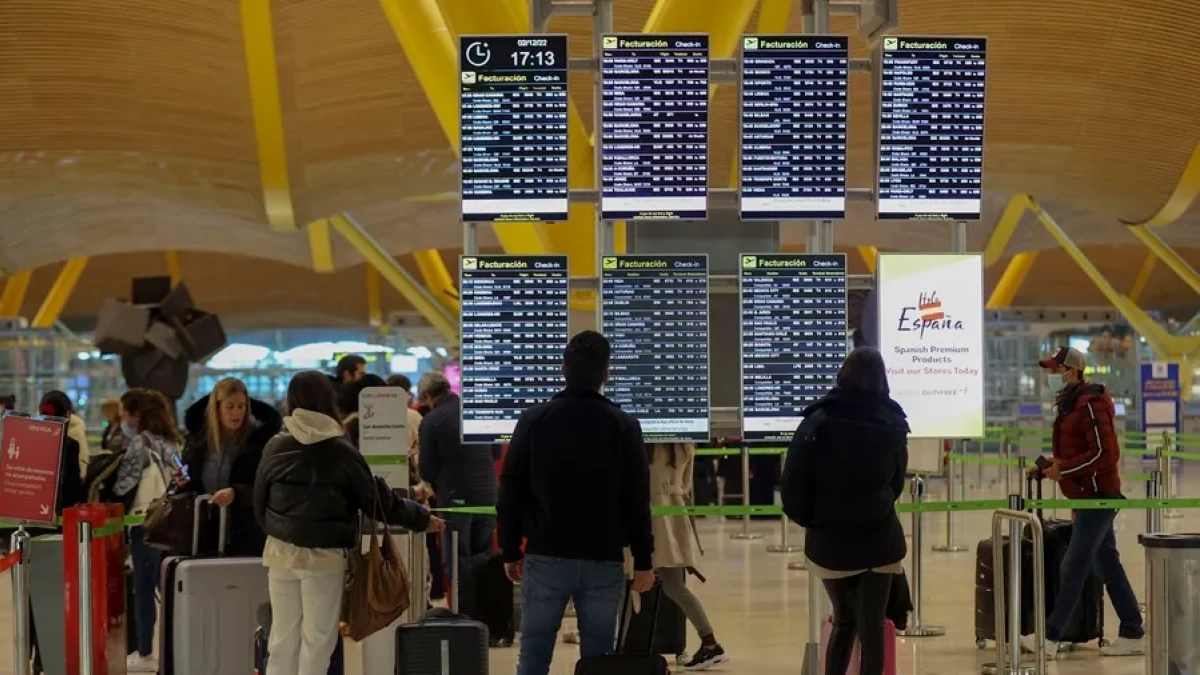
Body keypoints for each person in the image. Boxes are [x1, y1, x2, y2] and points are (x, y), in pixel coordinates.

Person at [254, 371, 443, 675]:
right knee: (317, 640)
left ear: (292, 401)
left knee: (281, 639)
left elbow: (259, 504)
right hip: (326, 557)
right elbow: (378, 500)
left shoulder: (275, 446)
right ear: (328, 400)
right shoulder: (340, 450)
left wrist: (280, 532)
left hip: (280, 553)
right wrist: (421, 517)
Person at [497, 330, 654, 675]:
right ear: (606, 374)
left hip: (546, 553)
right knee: (599, 654)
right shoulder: (624, 425)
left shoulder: (534, 420)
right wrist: (644, 559)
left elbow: (511, 489)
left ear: (563, 370)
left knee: (534, 650)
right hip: (604, 556)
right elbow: (637, 498)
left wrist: (510, 549)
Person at [780, 347, 909, 675]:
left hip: (830, 540)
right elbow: (896, 483)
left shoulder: (817, 421)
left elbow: (794, 483)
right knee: (873, 626)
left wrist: (813, 521)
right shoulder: (893, 422)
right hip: (879, 538)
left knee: (843, 620)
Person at [1022, 347, 1144, 658]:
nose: (1050, 377)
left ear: (1071, 371)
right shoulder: (1072, 404)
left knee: (1074, 563)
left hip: (1099, 496)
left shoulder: (1091, 404)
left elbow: (1105, 454)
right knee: (1106, 564)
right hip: (1086, 495)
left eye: (1054, 371)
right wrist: (1052, 464)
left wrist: (1063, 469)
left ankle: (1049, 636)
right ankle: (1132, 629)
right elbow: (1080, 451)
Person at [112, 388, 181, 673]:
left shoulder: (140, 443)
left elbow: (123, 485)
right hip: (170, 523)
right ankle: (173, 649)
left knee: (143, 589)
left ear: (136, 416)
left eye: (124, 414)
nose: (122, 420)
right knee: (166, 587)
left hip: (143, 523)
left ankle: (145, 652)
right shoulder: (171, 441)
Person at [418, 370, 498, 610]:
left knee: (457, 560)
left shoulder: (432, 421)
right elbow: (496, 454)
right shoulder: (478, 412)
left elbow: (426, 470)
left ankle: (464, 616)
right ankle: (486, 617)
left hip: (455, 498)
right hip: (487, 496)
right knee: (484, 558)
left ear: (428, 396)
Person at [176, 377, 283, 555]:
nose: (237, 413)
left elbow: (268, 486)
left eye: (242, 406)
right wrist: (182, 481)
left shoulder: (259, 441)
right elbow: (193, 483)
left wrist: (237, 493)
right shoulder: (199, 441)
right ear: (216, 409)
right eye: (230, 406)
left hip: (245, 531)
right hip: (203, 531)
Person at [645, 442, 727, 670]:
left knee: (627, 579)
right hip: (674, 512)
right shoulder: (684, 444)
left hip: (650, 514)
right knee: (674, 585)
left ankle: (623, 646)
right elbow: (686, 484)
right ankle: (710, 643)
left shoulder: (645, 444)